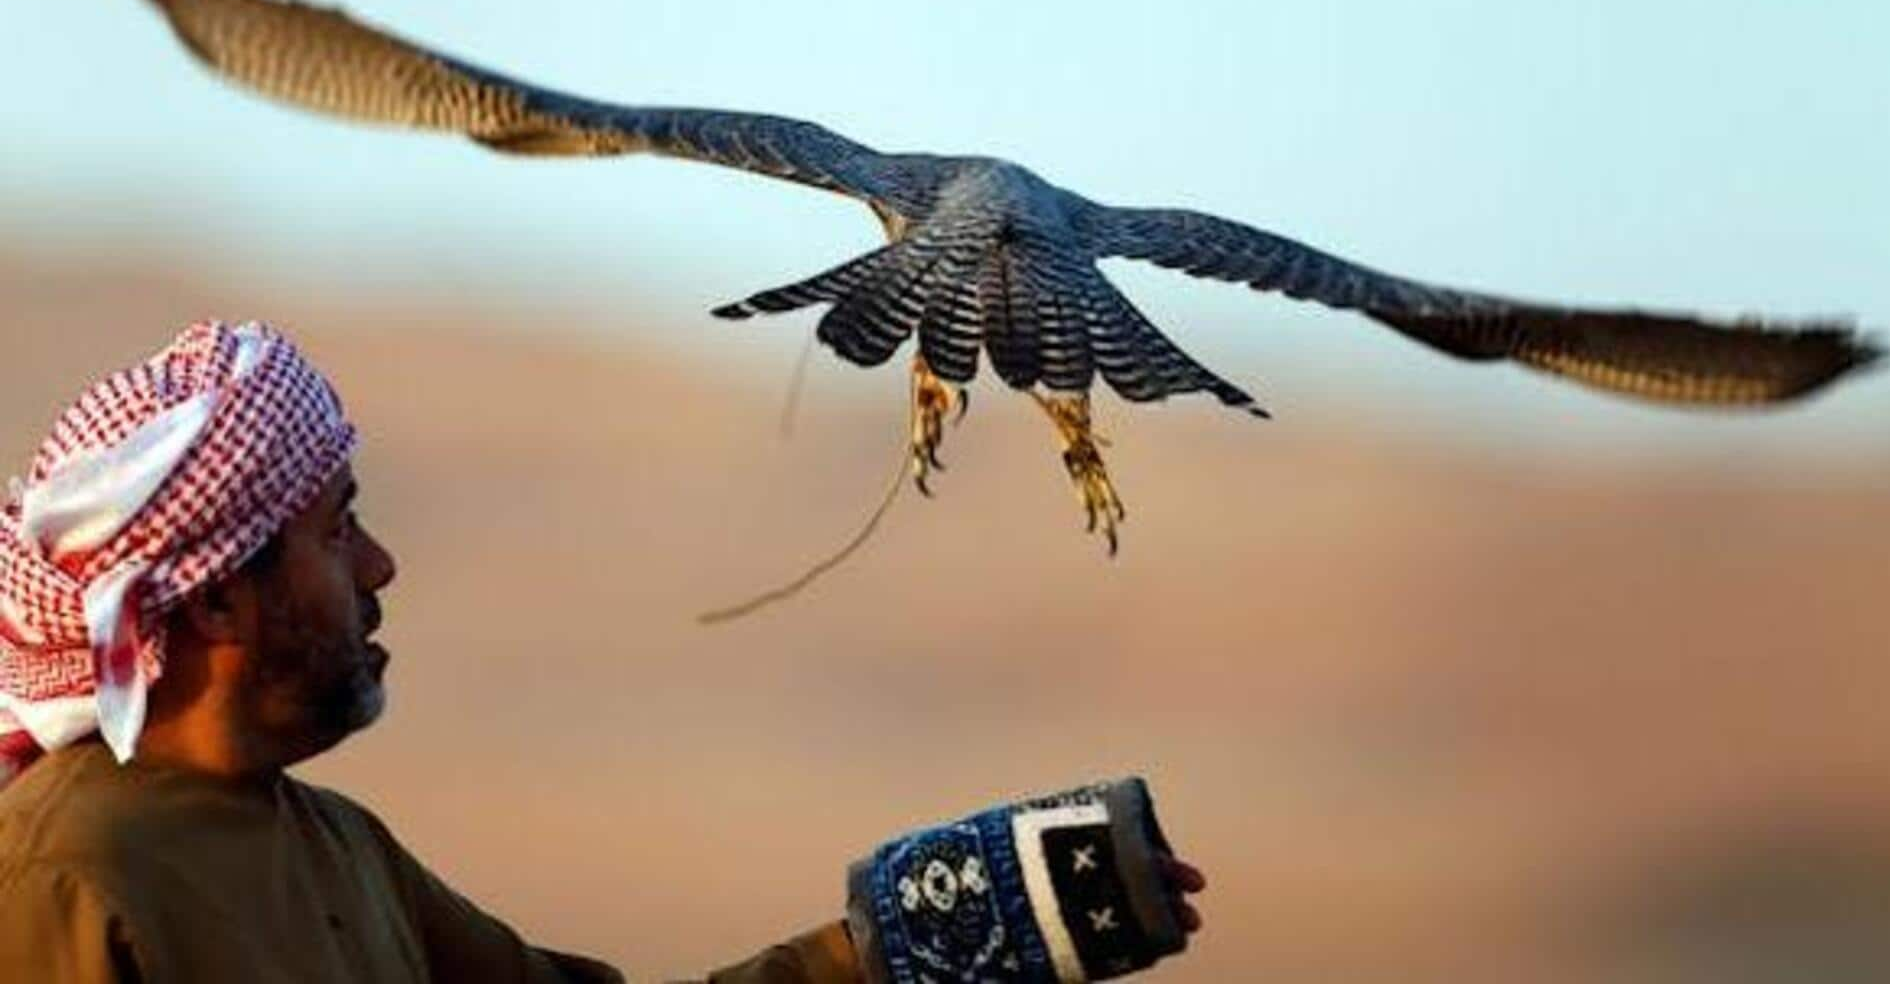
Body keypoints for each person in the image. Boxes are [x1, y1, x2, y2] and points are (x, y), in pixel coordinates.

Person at [0, 320, 1203, 982]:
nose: (378, 568)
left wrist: (918, 936)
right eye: (336, 530)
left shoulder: (334, 846)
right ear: (212, 603)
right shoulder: (63, 885)